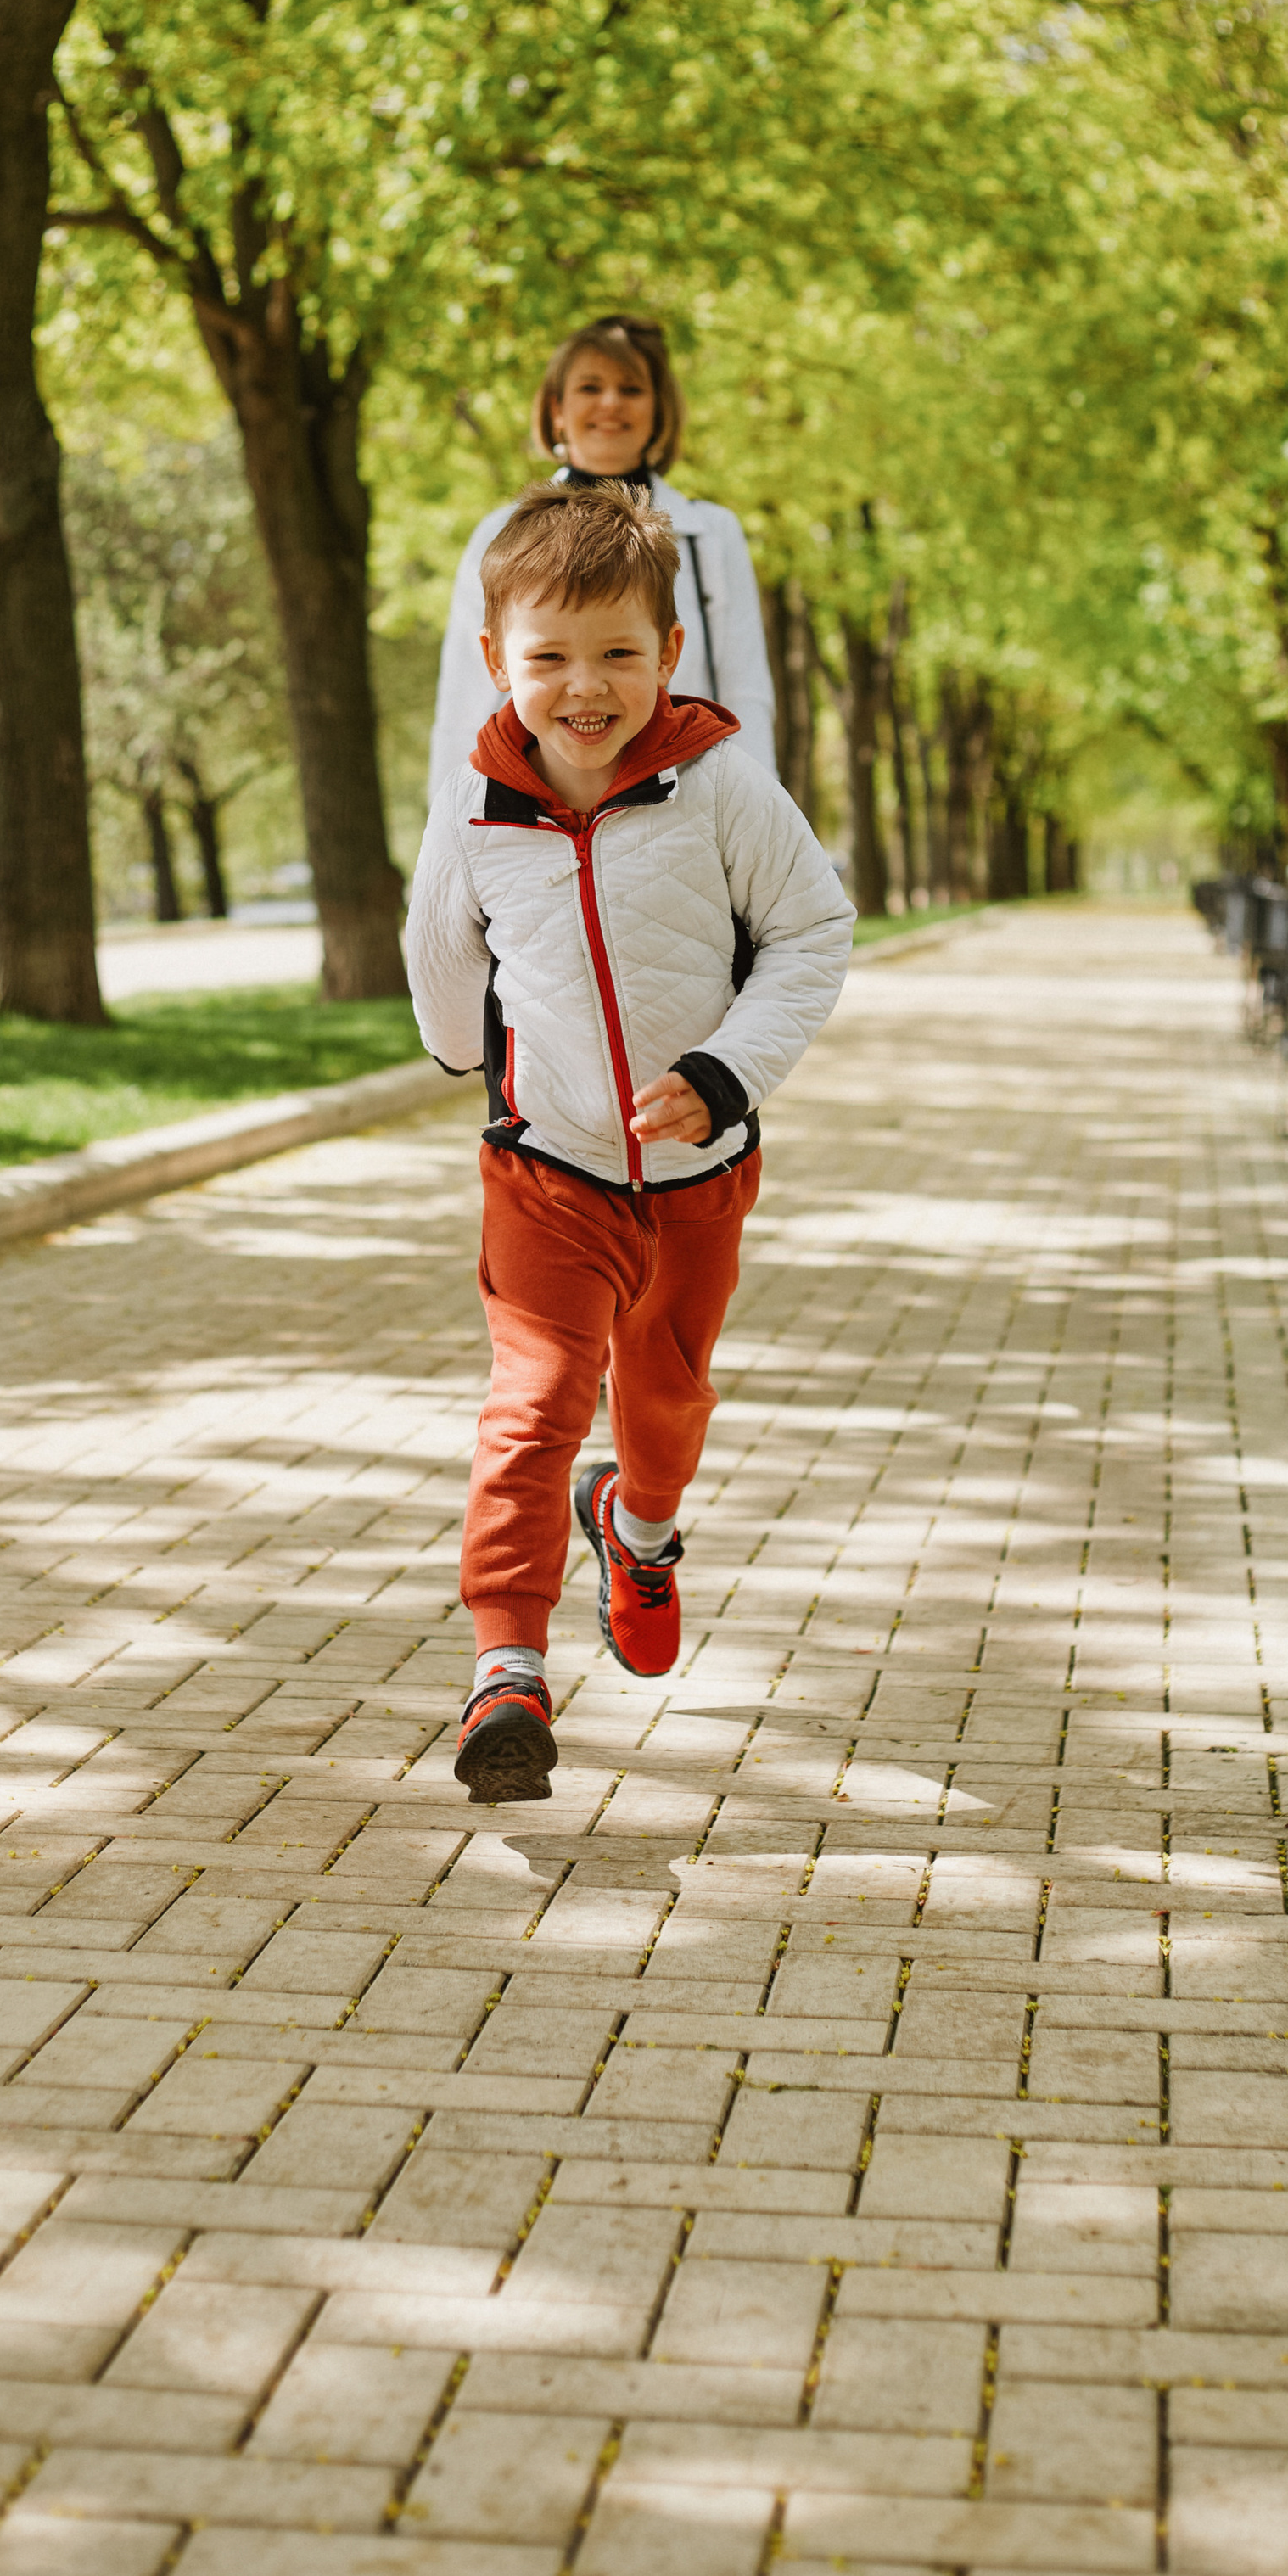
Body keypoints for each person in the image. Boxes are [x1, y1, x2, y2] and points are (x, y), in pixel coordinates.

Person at [407, 479, 854, 1804]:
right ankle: (506, 1666)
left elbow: (814, 931)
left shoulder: (718, 785)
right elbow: (440, 946)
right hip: (546, 1168)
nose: (584, 687)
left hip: (695, 1176)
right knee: (534, 1403)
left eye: (617, 654)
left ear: (670, 652)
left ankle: (639, 1527)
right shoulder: (477, 804)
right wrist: (464, 1054)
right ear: (498, 660)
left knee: (662, 1405)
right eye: (549, 657)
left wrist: (725, 1073)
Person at [427, 315, 776, 800]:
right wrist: (451, 824)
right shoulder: (499, 534)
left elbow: (744, 692)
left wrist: (759, 808)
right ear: (557, 410)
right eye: (590, 387)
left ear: (659, 410)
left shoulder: (712, 536)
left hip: (685, 808)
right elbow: (465, 705)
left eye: (631, 389)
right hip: (543, 817)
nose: (611, 402)